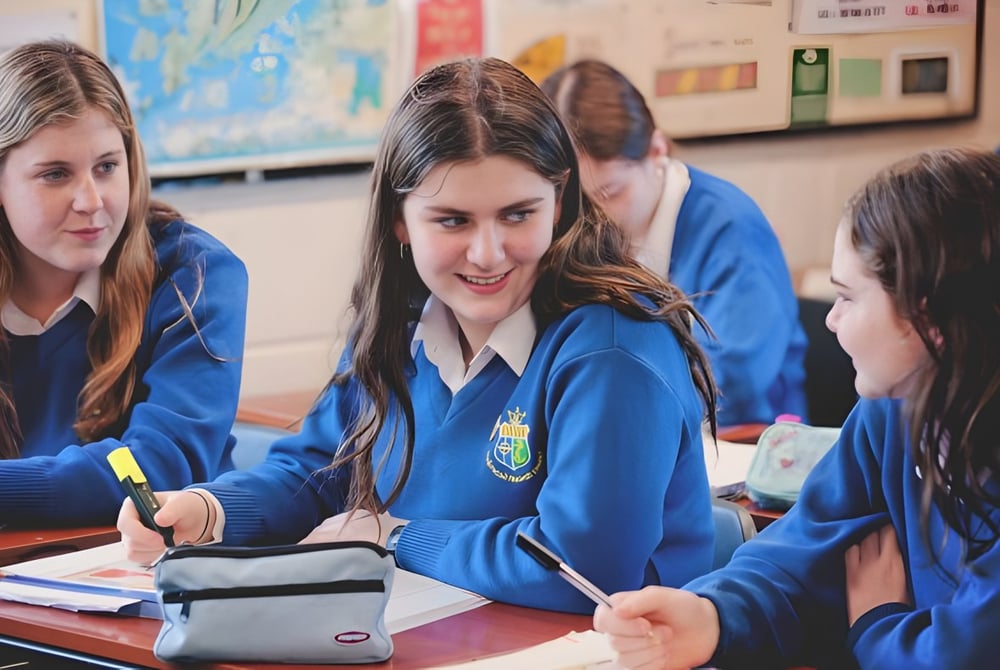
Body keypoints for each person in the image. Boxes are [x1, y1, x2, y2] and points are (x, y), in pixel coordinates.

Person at [118, 56, 718, 614]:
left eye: (518, 214)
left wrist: (392, 537)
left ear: (558, 205)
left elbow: (580, 569)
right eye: (452, 220)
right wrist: (212, 510)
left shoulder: (613, 346)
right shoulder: (398, 325)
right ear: (400, 223)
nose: (488, 253)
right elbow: (319, 472)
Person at [594, 147, 1000, 668]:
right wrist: (713, 616)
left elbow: (964, 654)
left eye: (848, 298)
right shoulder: (892, 413)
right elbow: (801, 550)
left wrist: (877, 624)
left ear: (930, 321)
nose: (830, 321)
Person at [0, 40, 248, 526]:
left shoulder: (195, 274)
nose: (91, 201)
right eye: (55, 174)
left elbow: (157, 468)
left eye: (107, 167)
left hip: (155, 575)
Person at [541, 60, 807, 426]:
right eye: (573, 200)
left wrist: (616, 413)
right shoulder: (569, 227)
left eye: (609, 192)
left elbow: (734, 375)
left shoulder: (728, 228)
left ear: (656, 150)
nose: (590, 217)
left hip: (737, 441)